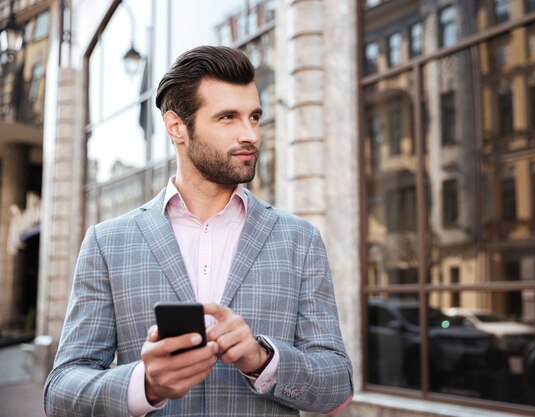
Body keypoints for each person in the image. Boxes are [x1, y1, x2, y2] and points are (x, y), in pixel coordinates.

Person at [44, 45, 353, 417]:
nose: (250, 134)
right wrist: (144, 384)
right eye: (228, 117)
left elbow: (338, 384)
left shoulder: (299, 241)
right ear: (177, 127)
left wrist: (262, 359)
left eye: (254, 117)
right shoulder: (108, 243)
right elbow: (60, 392)